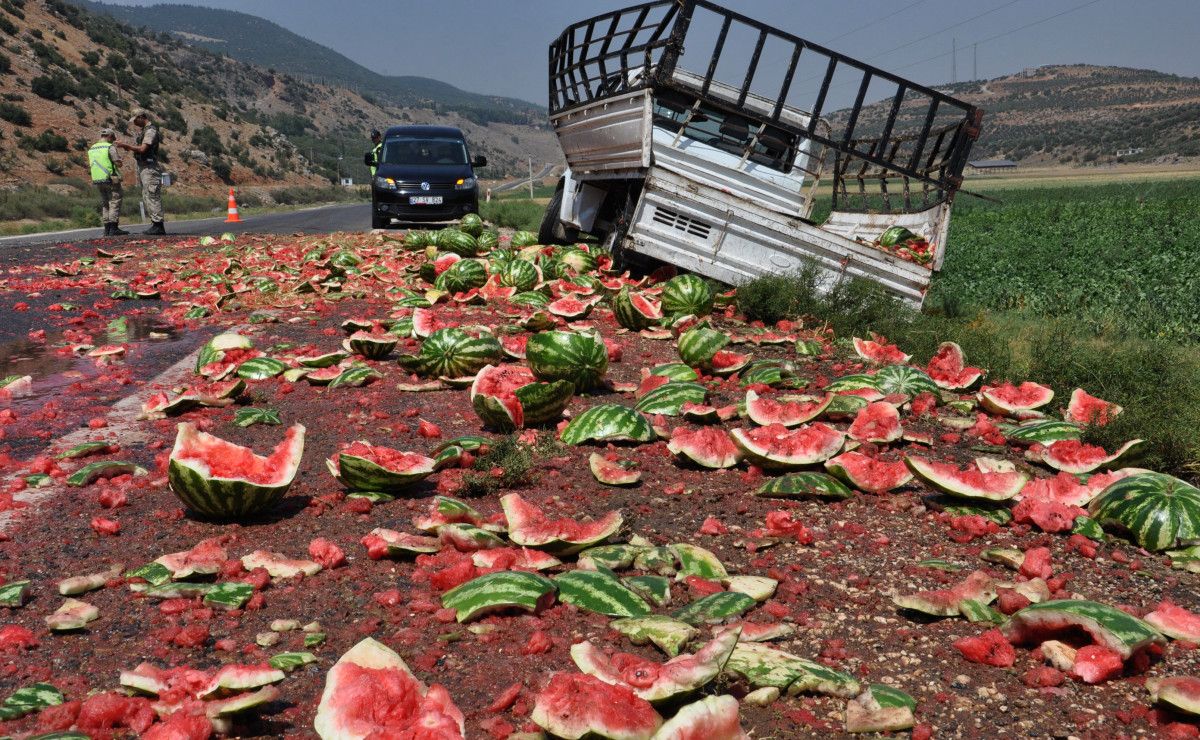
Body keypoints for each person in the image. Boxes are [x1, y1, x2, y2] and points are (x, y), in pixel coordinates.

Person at [117, 108, 166, 235]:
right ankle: (155, 224)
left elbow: (143, 149)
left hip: (150, 167)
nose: (134, 123)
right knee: (147, 195)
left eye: (135, 120)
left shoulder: (150, 131)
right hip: (144, 166)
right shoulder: (145, 131)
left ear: (141, 117)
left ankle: (158, 225)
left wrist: (126, 146)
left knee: (152, 194)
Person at [88, 128, 128, 236]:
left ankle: (106, 229)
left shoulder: (92, 148)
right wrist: (120, 161)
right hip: (110, 178)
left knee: (105, 204)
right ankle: (114, 228)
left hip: (98, 179)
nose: (112, 140)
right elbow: (117, 163)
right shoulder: (109, 147)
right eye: (112, 138)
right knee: (114, 201)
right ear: (109, 136)